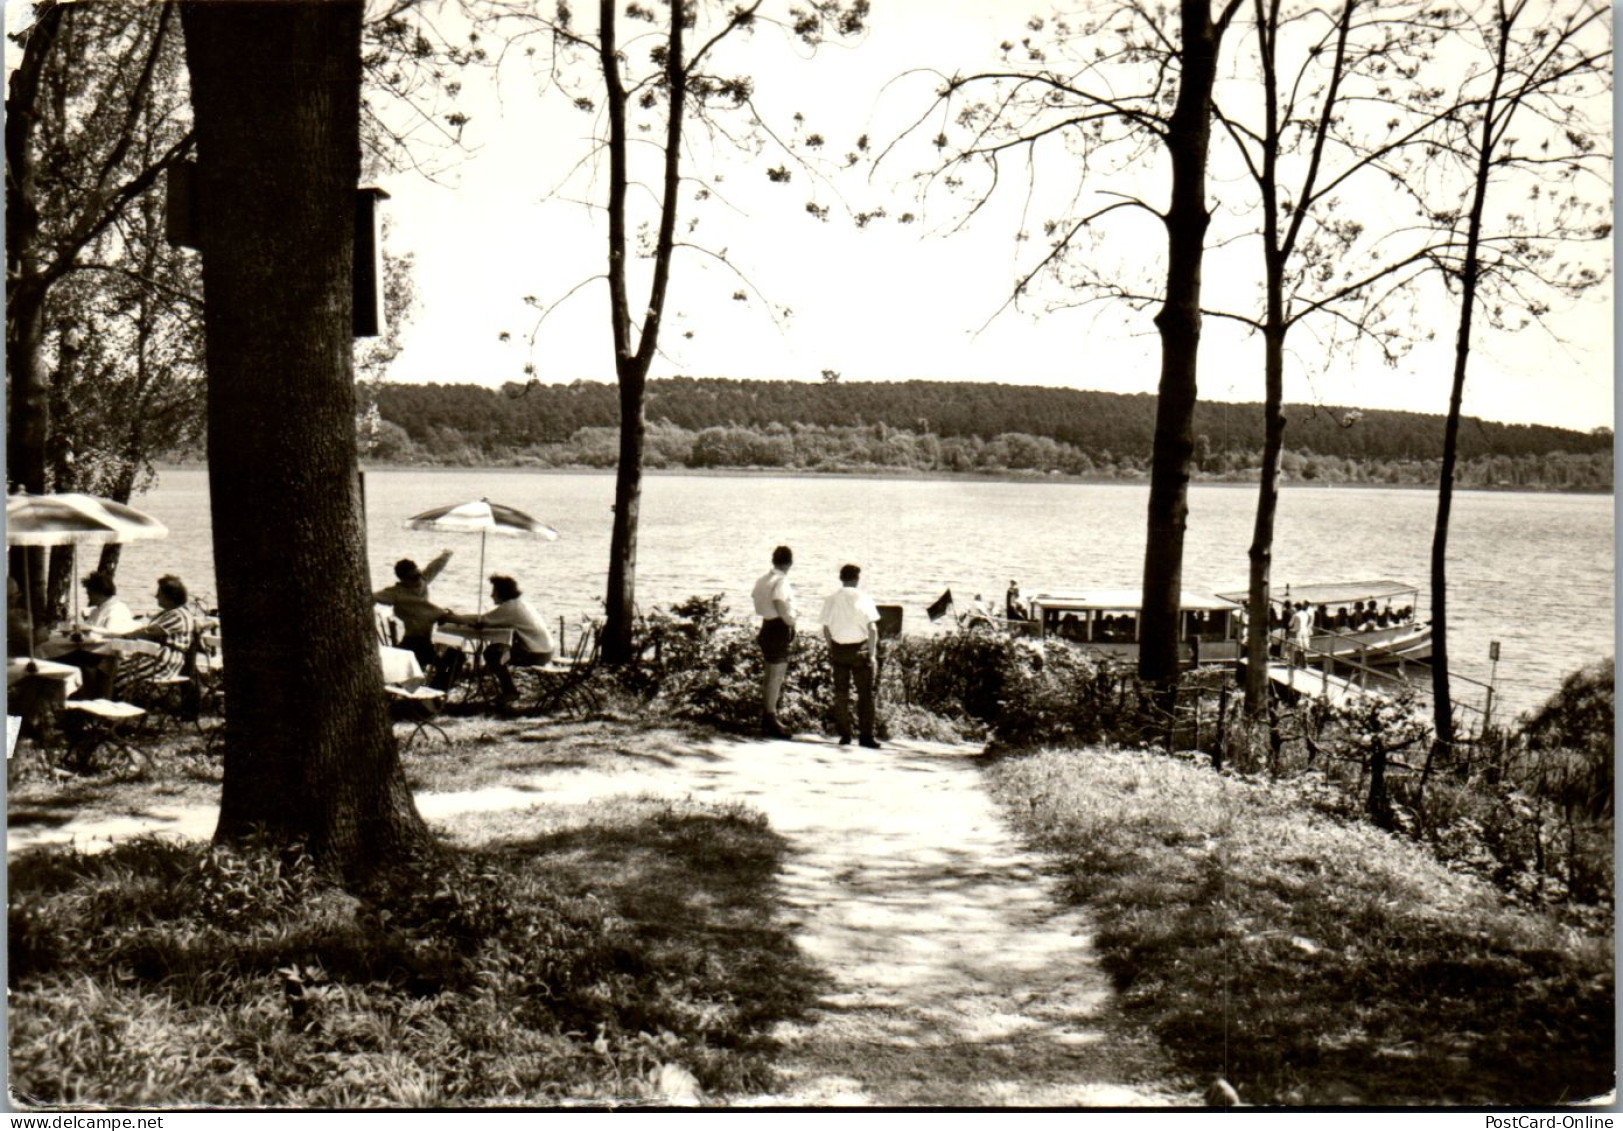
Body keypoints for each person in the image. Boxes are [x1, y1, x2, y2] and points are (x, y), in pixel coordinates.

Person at [440, 573, 553, 704]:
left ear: (502, 592)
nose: (491, 595)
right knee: (495, 651)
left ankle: (510, 691)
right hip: (544, 651)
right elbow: (489, 620)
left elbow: (481, 620)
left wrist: (451, 618)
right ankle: (507, 691)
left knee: (492, 654)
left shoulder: (510, 608)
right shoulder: (519, 604)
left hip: (536, 654)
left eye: (494, 591)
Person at [374, 549, 458, 689]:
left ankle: (435, 691)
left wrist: (447, 554)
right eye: (413, 578)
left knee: (455, 659)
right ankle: (429, 693)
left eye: (418, 575)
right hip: (412, 642)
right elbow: (372, 596)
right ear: (403, 580)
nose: (418, 580)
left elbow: (434, 567)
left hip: (426, 640)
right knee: (446, 663)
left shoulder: (422, 582)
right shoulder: (396, 593)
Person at [820, 563, 881, 749]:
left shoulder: (831, 599)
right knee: (865, 695)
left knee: (841, 694)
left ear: (841, 578)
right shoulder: (865, 598)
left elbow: (826, 627)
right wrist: (872, 654)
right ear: (857, 578)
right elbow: (872, 629)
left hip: (839, 649)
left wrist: (832, 647)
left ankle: (845, 735)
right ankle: (866, 736)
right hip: (860, 650)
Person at [112, 575, 201, 698]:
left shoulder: (178, 615)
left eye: (160, 593)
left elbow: (149, 632)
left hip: (163, 660)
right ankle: (115, 703)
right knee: (114, 671)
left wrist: (124, 635)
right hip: (155, 656)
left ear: (171, 596)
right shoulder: (169, 613)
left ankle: (119, 706)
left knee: (120, 676)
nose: (156, 596)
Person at [751, 545, 797, 738]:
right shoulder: (781, 581)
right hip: (778, 628)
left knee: (770, 675)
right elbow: (779, 603)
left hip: (766, 626)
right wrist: (791, 620)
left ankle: (767, 716)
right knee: (776, 676)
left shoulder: (763, 580)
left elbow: (755, 598)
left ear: (773, 560)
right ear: (790, 563)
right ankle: (771, 718)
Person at [80, 570, 138, 634]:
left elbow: (112, 633)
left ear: (100, 592)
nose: (88, 598)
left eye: (90, 594)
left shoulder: (117, 609)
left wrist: (89, 629)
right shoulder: (96, 610)